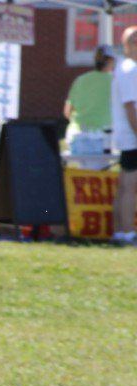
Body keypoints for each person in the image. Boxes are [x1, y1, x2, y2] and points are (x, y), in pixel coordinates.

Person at [112, 27, 137, 245]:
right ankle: (128, 232)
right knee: (131, 185)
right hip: (132, 135)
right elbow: (131, 106)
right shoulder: (131, 69)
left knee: (124, 185)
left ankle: (119, 231)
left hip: (126, 135)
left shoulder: (123, 67)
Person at [65, 45, 114, 138]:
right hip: (104, 137)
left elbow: (68, 112)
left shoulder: (80, 80)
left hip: (77, 135)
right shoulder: (115, 81)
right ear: (111, 61)